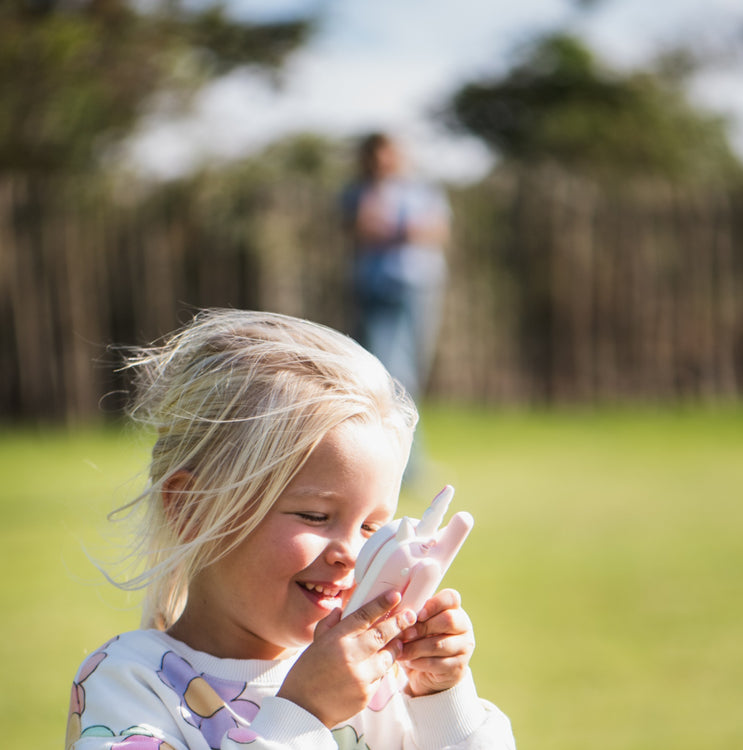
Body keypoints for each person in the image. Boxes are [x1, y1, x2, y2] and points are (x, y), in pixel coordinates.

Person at [66, 309, 515, 750]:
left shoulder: (382, 682)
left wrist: (443, 700)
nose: (351, 553)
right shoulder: (131, 684)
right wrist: (302, 717)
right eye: (315, 517)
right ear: (191, 508)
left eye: (373, 526)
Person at [341, 134, 450, 478]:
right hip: (377, 291)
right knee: (386, 376)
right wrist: (405, 228)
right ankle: (398, 467)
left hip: (419, 290)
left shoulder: (423, 190)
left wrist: (395, 230)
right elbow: (365, 228)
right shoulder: (359, 192)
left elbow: (436, 230)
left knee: (411, 375)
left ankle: (407, 465)